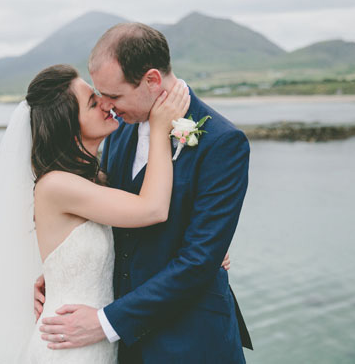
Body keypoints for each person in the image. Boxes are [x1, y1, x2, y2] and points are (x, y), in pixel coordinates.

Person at [0, 63, 190, 363]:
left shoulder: (96, 178)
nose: (105, 103)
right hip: (66, 345)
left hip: (96, 340)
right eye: (92, 102)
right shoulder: (57, 186)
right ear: (69, 127)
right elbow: (152, 208)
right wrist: (162, 126)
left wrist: (196, 238)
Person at [36, 23, 253, 363]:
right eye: (100, 95)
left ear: (151, 80)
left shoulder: (223, 142)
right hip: (124, 347)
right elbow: (112, 219)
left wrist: (106, 323)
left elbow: (198, 261)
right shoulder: (120, 130)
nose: (107, 105)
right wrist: (60, 272)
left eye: (115, 95)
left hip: (191, 343)